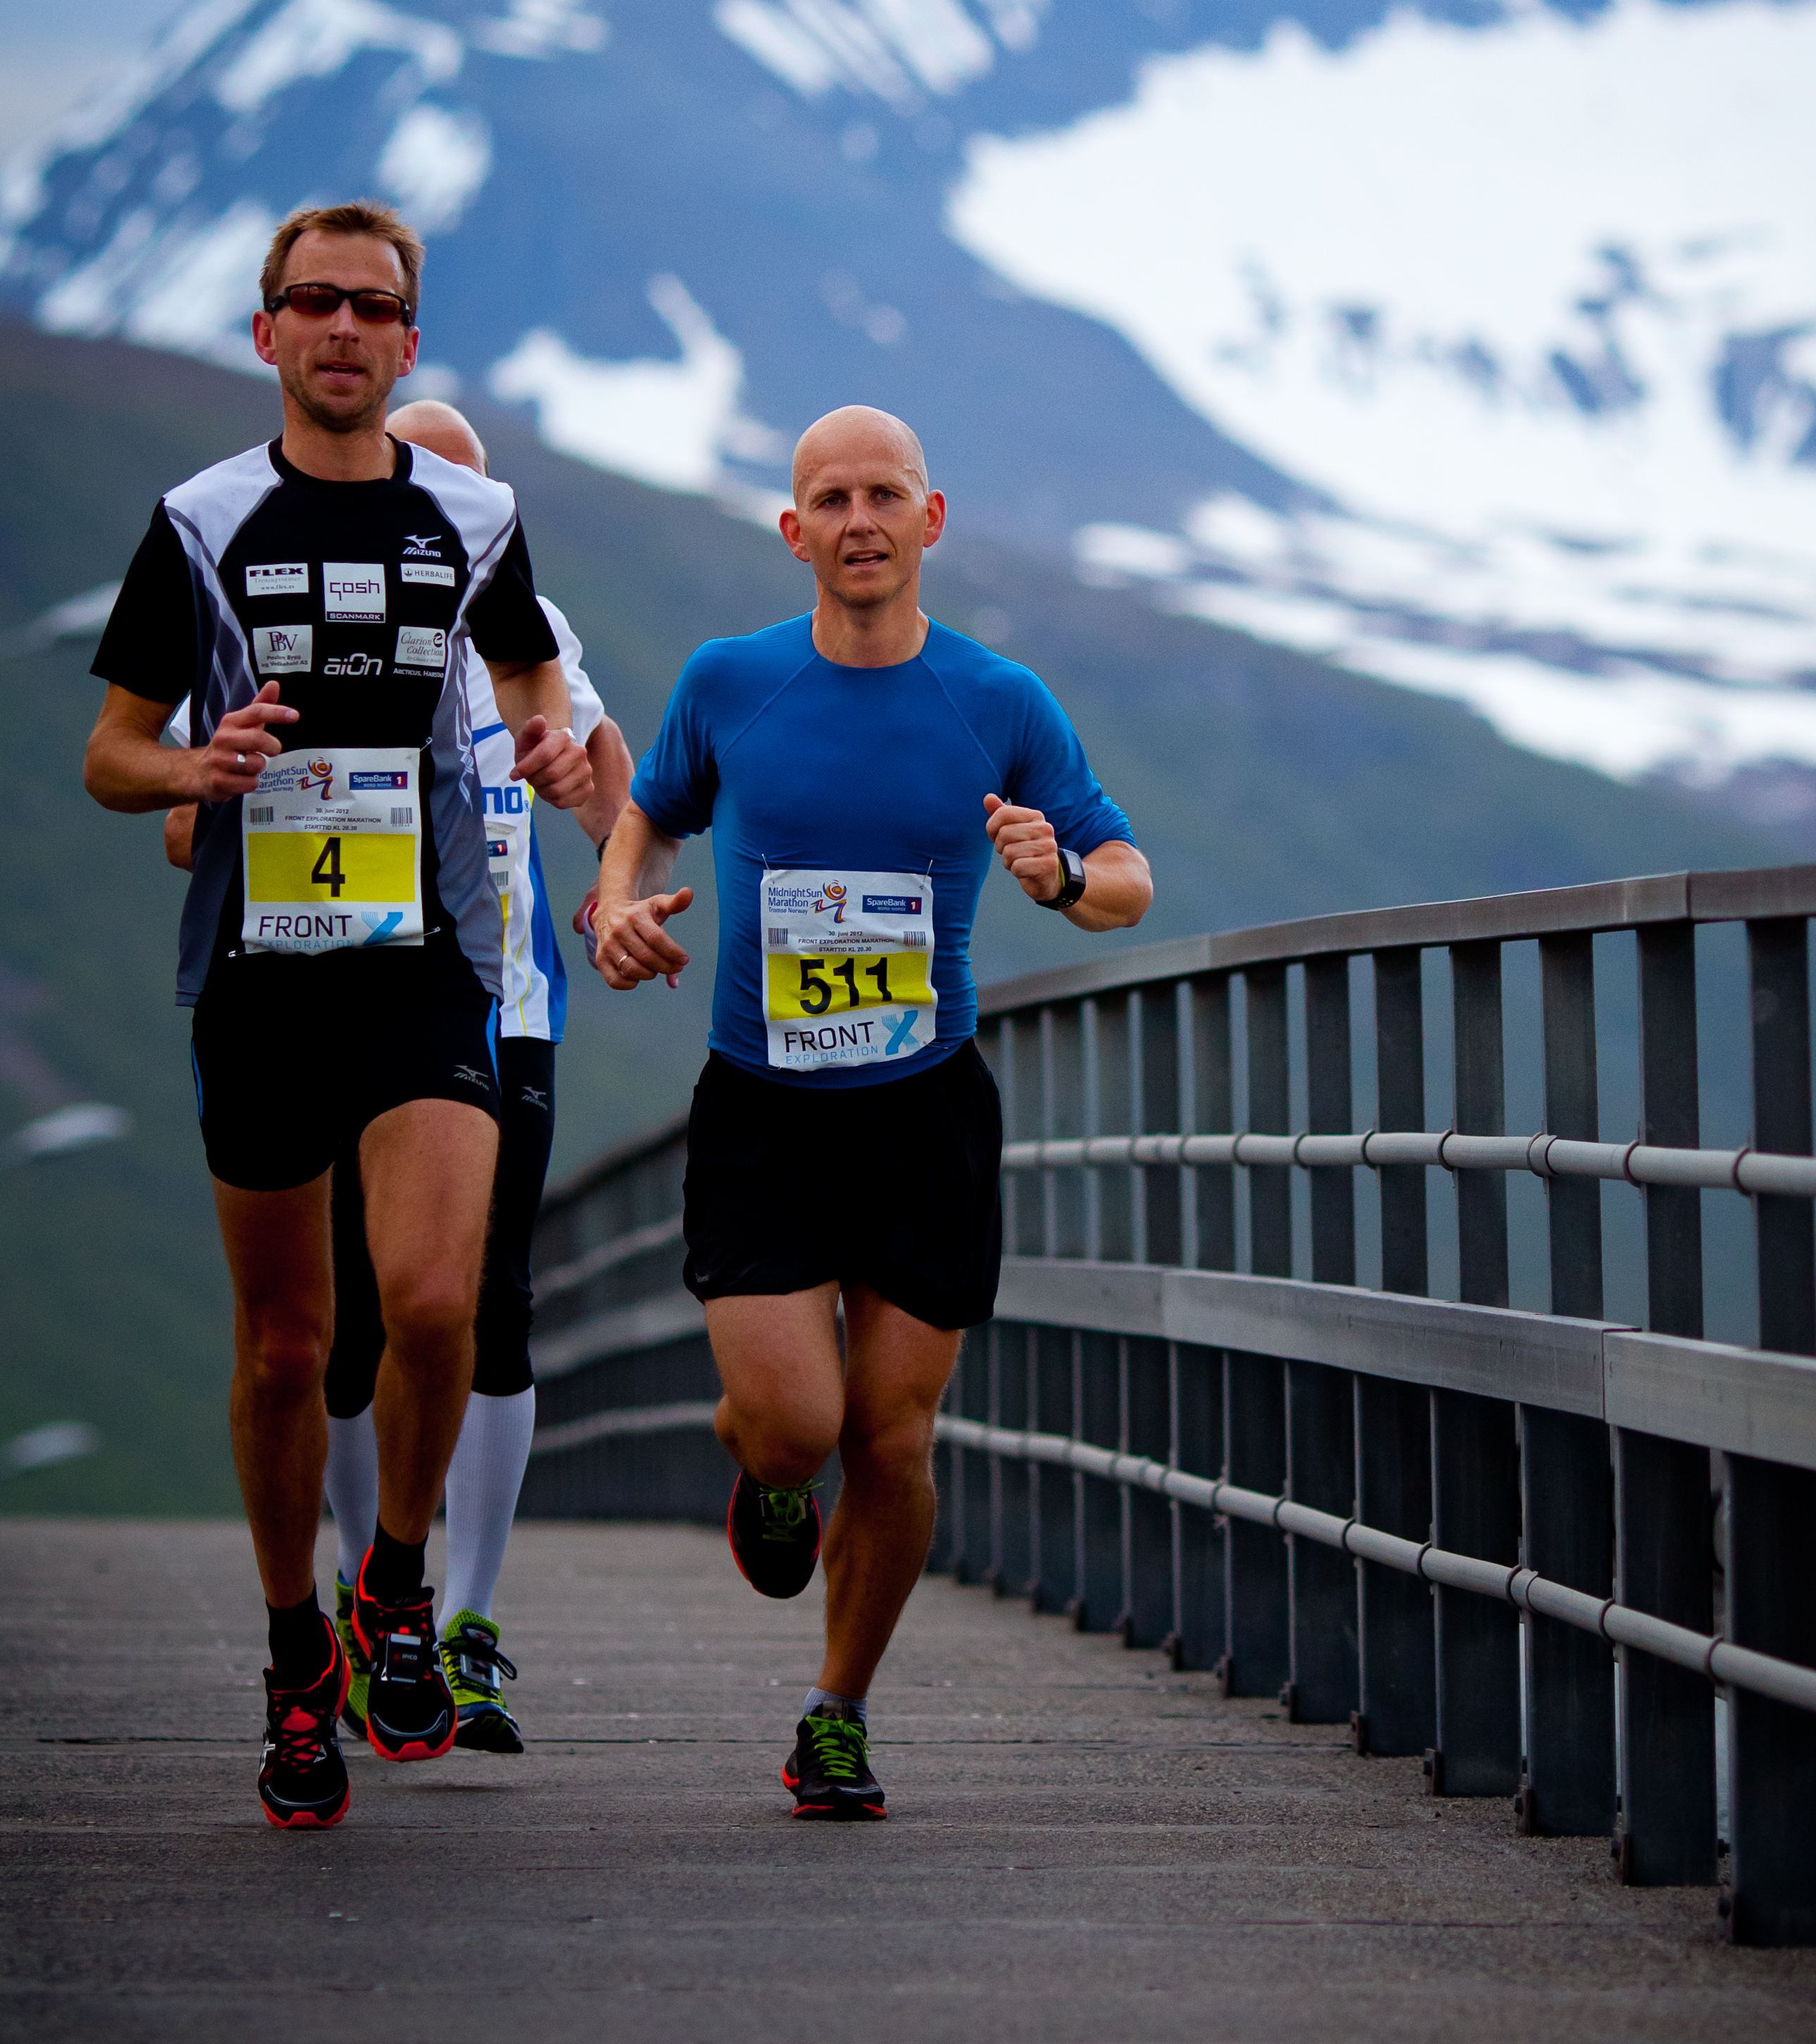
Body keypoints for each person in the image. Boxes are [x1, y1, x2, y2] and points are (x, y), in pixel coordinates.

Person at [84, 200, 596, 1831]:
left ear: (407, 338)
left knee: (437, 1303)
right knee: (288, 1345)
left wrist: (551, 746)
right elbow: (111, 751)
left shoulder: (479, 514)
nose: (342, 330)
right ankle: (295, 1652)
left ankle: (395, 1585)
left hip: (428, 953)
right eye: (312, 304)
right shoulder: (201, 519)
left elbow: (527, 679)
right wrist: (197, 764)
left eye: (373, 306)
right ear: (269, 334)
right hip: (260, 970)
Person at [590, 402, 1151, 1821]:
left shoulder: (999, 701)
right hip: (766, 1107)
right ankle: (766, 1475)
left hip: (923, 1109)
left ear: (930, 518)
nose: (858, 520)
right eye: (829, 499)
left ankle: (835, 1710)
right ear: (793, 531)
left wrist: (1057, 877)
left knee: (893, 1443)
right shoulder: (731, 683)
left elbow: (1128, 872)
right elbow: (651, 810)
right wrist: (613, 897)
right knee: (793, 1422)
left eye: (882, 495)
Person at [168, 397, 638, 1753]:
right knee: (345, 1326)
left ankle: (456, 1618)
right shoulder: (299, 636)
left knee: (481, 1303)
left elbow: (618, 806)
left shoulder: (538, 645)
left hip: (500, 1005)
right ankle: (381, 1589)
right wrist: (224, 791)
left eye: (457, 490)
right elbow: (182, 833)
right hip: (329, 995)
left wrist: (607, 880)